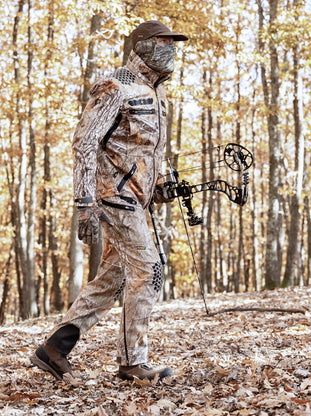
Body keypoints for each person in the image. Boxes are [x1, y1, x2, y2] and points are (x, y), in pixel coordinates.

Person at [30, 20, 188, 382]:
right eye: (163, 41)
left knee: (112, 279)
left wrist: (160, 184)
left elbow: (147, 151)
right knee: (150, 271)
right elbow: (84, 143)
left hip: (137, 200)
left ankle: (55, 348)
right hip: (111, 197)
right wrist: (84, 203)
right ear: (143, 45)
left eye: (172, 42)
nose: (171, 48)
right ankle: (133, 362)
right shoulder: (115, 86)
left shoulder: (156, 93)